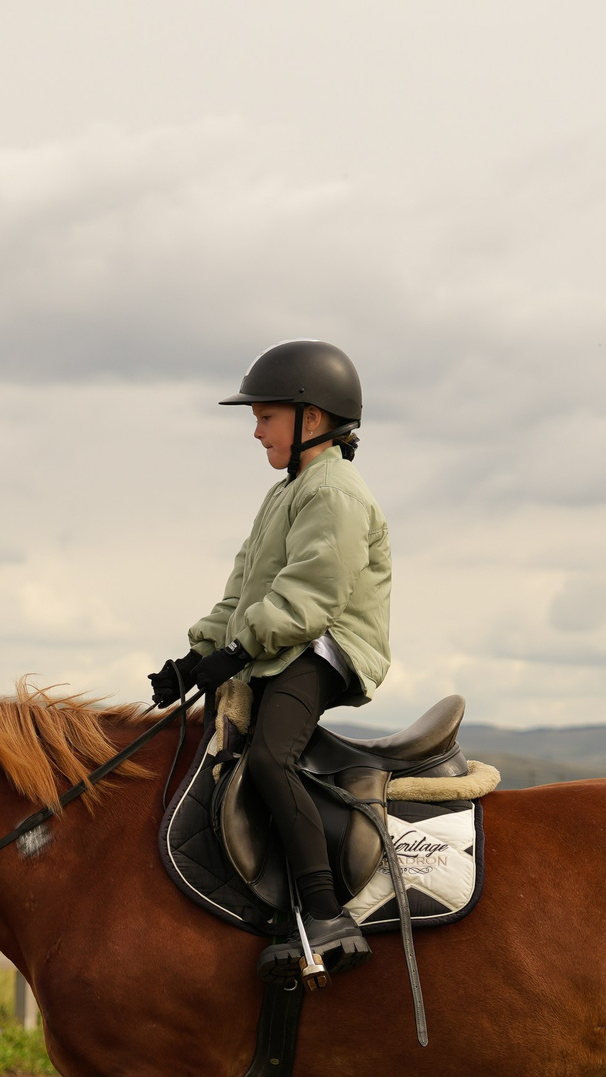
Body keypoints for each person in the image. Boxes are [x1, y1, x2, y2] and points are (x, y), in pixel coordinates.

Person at [151, 339, 392, 977]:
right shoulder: (284, 494)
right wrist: (195, 655)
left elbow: (309, 599)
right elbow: (242, 593)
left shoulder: (334, 492)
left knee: (268, 757)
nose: (256, 431)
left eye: (265, 417)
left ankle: (325, 913)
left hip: (326, 647)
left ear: (311, 418)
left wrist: (237, 651)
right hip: (281, 646)